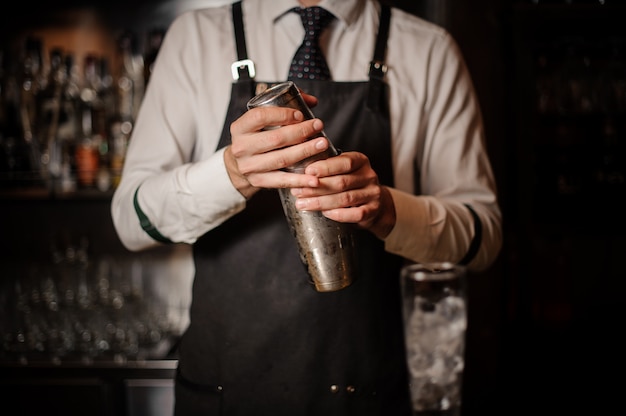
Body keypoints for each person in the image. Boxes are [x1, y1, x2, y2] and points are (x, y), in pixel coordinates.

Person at [111, 0, 503, 414]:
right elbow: (130, 221)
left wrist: (387, 210)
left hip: (374, 393)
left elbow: (483, 238)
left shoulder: (428, 50)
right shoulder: (197, 38)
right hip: (227, 393)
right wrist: (229, 173)